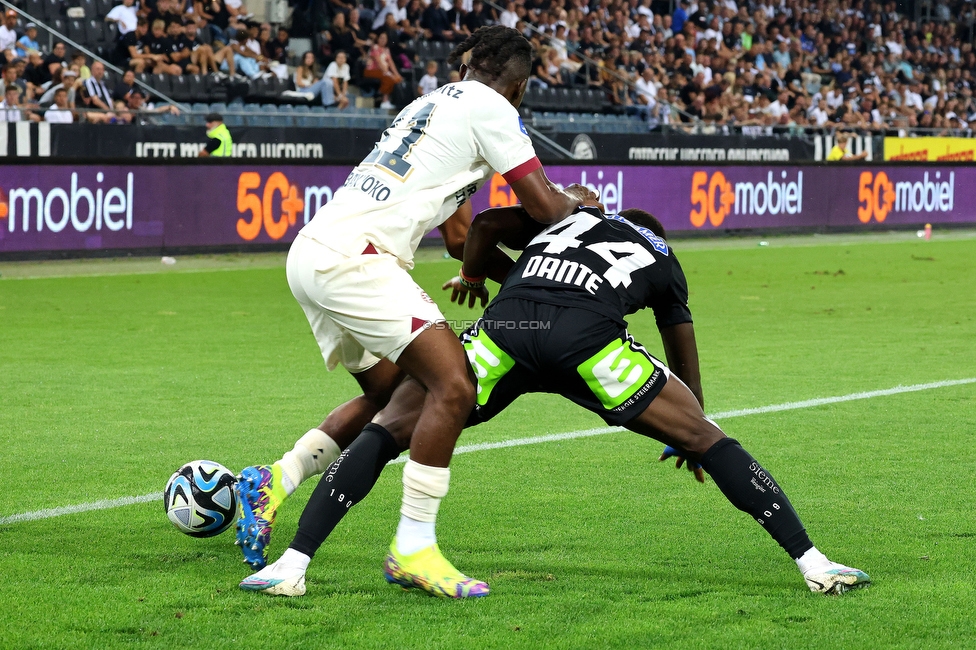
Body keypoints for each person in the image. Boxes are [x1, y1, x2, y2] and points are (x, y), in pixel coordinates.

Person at [239, 206, 871, 599]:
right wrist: (691, 428)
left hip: (507, 329)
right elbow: (683, 346)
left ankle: (292, 565)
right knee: (715, 441)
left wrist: (476, 277)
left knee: (391, 426)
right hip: (588, 342)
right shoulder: (661, 255)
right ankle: (814, 563)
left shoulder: (565, 216)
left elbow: (482, 226)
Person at [230, 27, 598, 594]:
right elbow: (546, 207)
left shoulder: (431, 103)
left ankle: (277, 477)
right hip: (357, 262)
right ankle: (415, 546)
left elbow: (457, 237)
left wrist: (493, 276)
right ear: (520, 85)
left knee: (390, 393)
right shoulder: (495, 109)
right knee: (454, 385)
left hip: (313, 253)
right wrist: (580, 197)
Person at [363, 31, 402, 109]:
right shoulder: (375, 47)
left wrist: (397, 74)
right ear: (378, 39)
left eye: (385, 38)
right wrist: (389, 73)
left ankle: (390, 100)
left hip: (382, 71)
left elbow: (391, 63)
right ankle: (384, 100)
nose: (383, 40)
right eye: (381, 38)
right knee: (389, 79)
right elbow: (379, 61)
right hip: (372, 71)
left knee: (397, 79)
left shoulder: (386, 50)